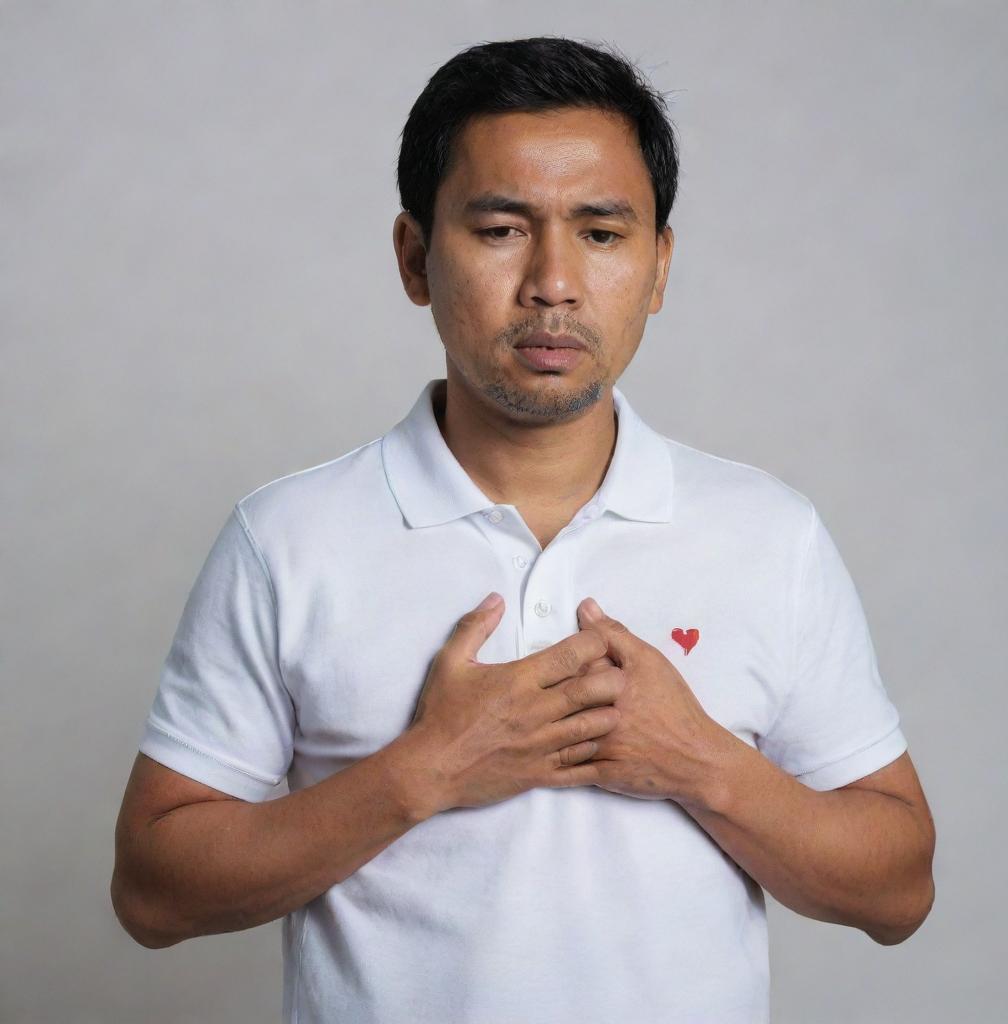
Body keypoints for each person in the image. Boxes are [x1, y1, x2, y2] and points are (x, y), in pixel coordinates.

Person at [111, 35, 935, 1024]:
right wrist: (427, 769)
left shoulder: (767, 534)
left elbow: (897, 890)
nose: (553, 281)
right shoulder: (286, 538)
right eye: (501, 228)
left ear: (659, 264)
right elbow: (153, 892)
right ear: (416, 258)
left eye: (600, 232)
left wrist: (699, 762)